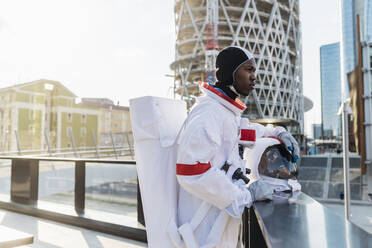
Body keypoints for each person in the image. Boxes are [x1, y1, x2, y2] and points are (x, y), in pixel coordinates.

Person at [175, 46, 299, 247]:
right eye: (248, 70)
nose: (254, 77)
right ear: (231, 73)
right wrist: (243, 196)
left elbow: (246, 132)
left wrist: (278, 132)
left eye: (254, 71)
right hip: (204, 229)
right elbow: (190, 172)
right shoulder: (208, 114)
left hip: (219, 222)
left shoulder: (225, 113)